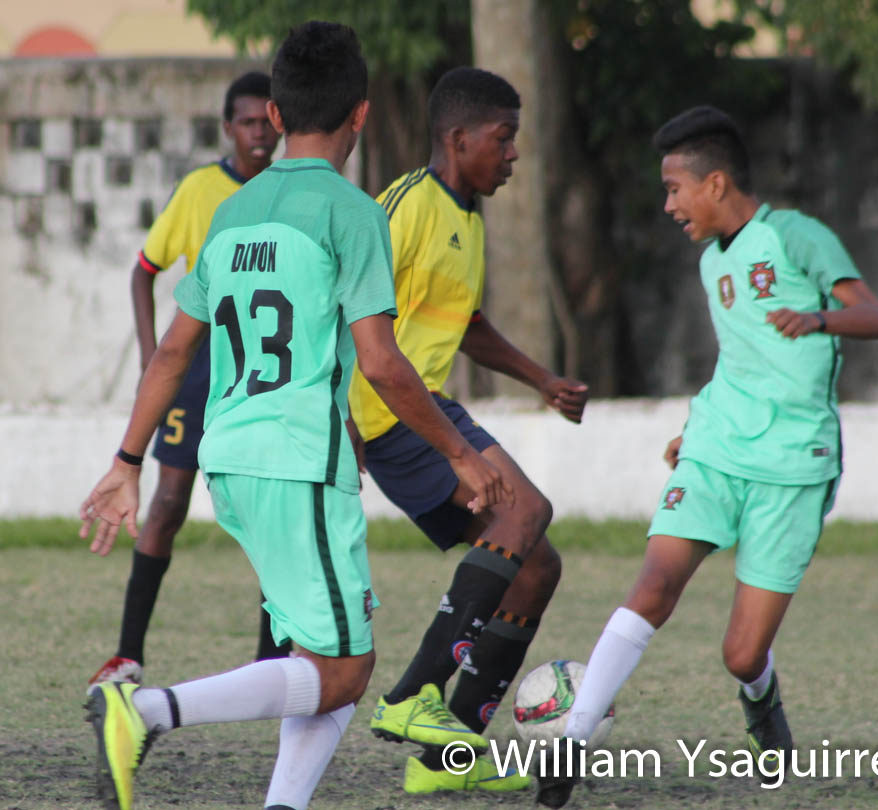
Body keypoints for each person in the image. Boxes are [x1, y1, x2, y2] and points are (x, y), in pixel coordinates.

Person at [80, 22, 511, 810]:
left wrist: (127, 462)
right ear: (362, 114)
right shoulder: (353, 214)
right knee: (346, 669)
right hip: (299, 461)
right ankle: (144, 711)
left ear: (273, 117)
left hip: (232, 456)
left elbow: (173, 355)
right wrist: (459, 453)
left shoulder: (234, 213)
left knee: (323, 658)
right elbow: (381, 361)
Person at [535, 105, 878, 808]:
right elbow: (741, 359)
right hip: (718, 447)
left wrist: (819, 316)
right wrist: (696, 425)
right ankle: (572, 744)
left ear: (717, 181)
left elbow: (876, 316)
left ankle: (761, 698)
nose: (668, 205)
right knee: (653, 586)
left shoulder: (795, 236)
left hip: (794, 464)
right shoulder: (710, 263)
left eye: (675, 189)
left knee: (740, 654)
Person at [348, 66, 589, 795]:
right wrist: (342, 430)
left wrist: (540, 378)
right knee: (525, 508)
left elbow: (466, 323)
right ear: (458, 138)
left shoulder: (466, 216)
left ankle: (440, 762)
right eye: (503, 138)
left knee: (540, 564)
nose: (513, 153)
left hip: (424, 408)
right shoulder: (404, 207)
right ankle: (411, 697)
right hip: (389, 412)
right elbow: (343, 312)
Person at [88, 71, 290, 688]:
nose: (259, 133)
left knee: (263, 509)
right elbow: (143, 270)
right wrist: (155, 359)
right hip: (198, 366)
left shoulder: (290, 192)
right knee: (170, 501)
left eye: (268, 122)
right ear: (228, 128)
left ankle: (270, 660)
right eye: (248, 122)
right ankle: (127, 654)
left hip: (257, 370)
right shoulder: (201, 188)